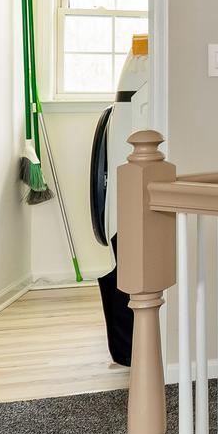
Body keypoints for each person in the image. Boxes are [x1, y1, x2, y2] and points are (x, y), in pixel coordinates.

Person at [90, 36, 150, 364]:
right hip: (127, 191)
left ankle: (134, 344)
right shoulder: (142, 65)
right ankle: (131, 343)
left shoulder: (139, 70)